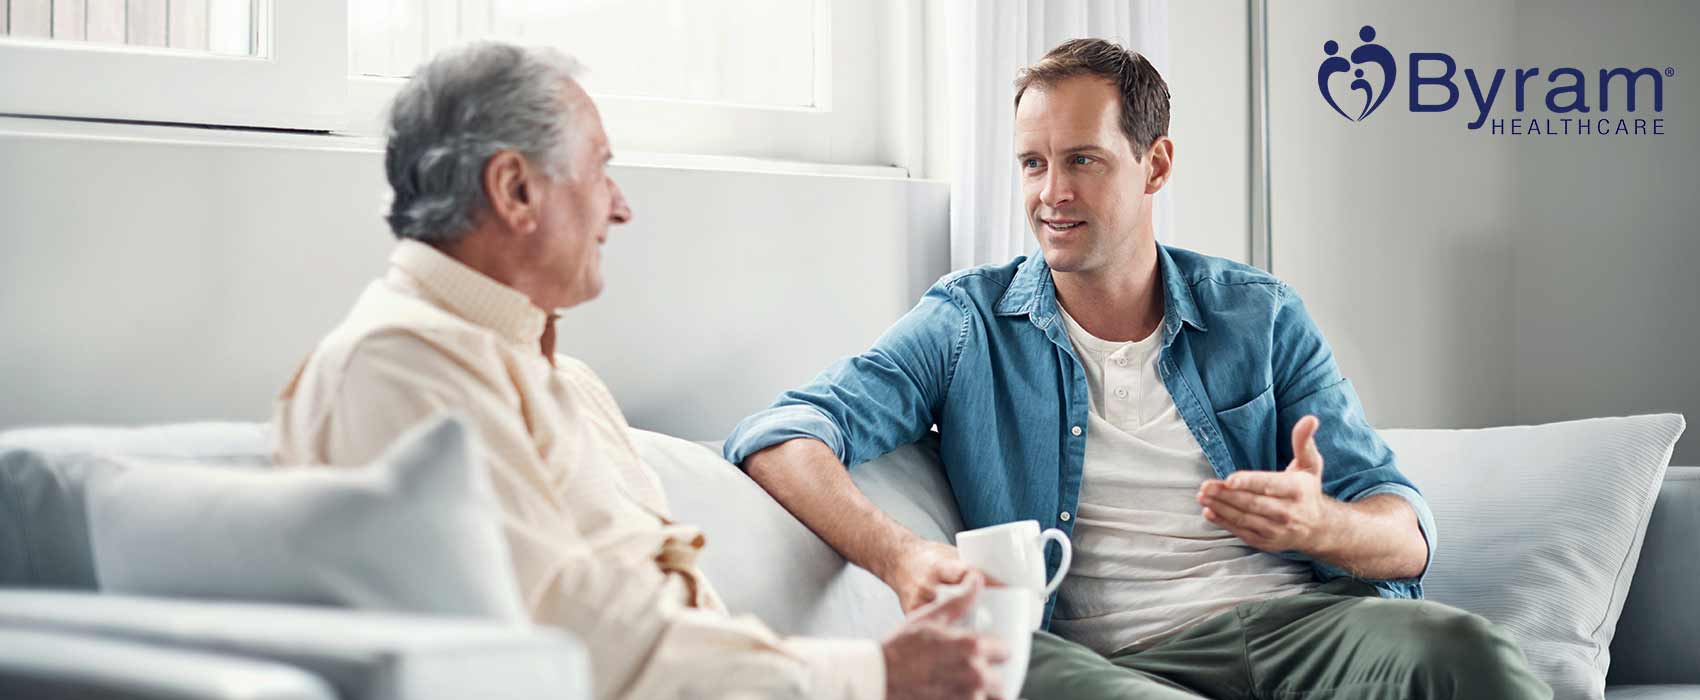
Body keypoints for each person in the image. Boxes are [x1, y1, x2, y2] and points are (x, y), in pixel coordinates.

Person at [724, 38, 1550, 699]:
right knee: (1010, 672)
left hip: (1301, 629)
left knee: (1462, 651)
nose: (1052, 192)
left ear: (1155, 165)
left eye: (1083, 160)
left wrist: (1319, 526)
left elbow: (1403, 537)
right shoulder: (966, 323)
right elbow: (780, 435)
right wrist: (903, 559)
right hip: (1112, 664)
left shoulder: (1257, 315)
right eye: (1032, 163)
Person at [274, 41, 1008, 700]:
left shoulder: (564, 381)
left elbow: (656, 623)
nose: (619, 208)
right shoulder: (398, 369)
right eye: (600, 171)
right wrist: (875, 676)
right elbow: (578, 644)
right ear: (515, 190)